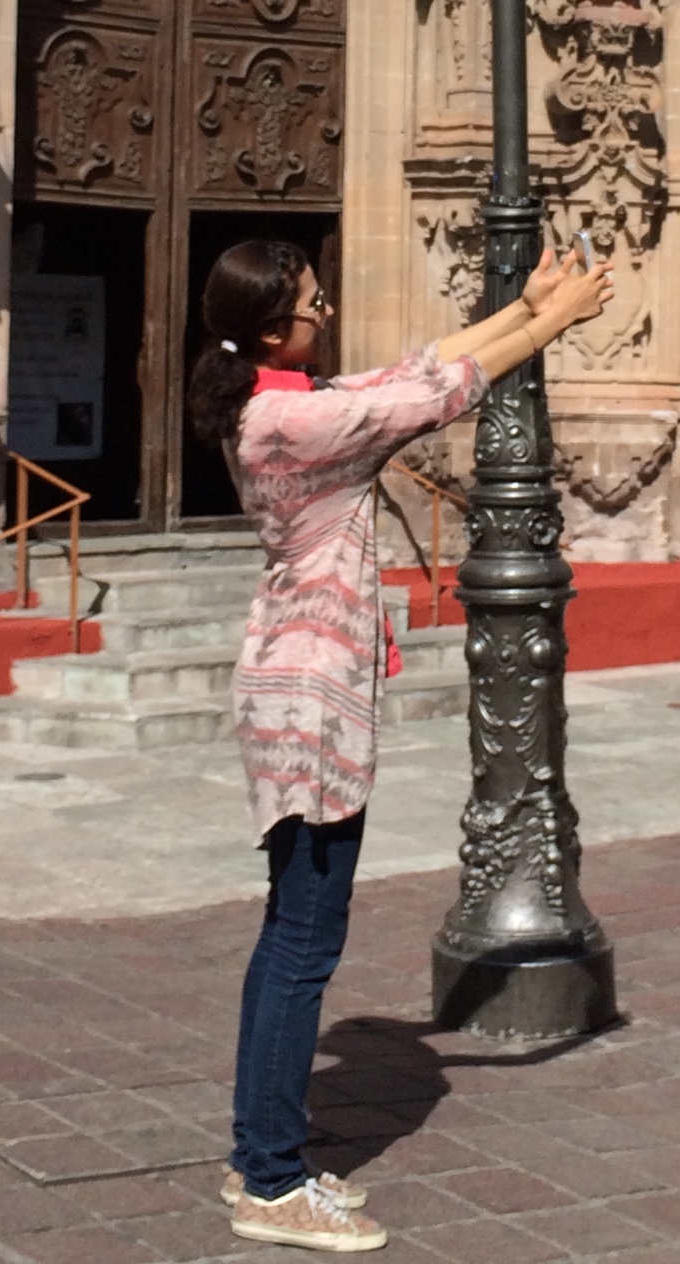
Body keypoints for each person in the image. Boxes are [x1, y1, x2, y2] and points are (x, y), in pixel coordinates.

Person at [187, 238, 614, 1252]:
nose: (326, 311)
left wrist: (524, 305)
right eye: (312, 303)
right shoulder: (291, 422)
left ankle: (262, 1152)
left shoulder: (286, 398)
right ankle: (270, 1181)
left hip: (302, 683)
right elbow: (432, 397)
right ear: (271, 328)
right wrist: (556, 322)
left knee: (291, 933)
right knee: (303, 942)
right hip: (309, 697)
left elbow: (411, 370)